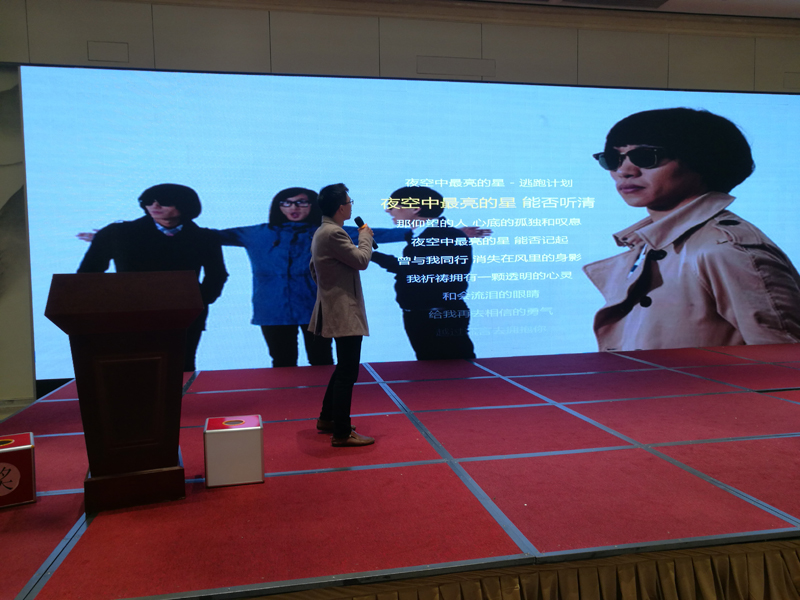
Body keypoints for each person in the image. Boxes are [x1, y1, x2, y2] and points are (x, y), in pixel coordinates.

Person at [583, 107, 800, 351]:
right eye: (613, 159)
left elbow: (785, 361)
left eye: (646, 157)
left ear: (701, 161)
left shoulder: (726, 249)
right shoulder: (651, 241)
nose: (624, 171)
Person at [216, 187, 409, 368]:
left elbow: (381, 234)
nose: (294, 207)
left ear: (313, 206)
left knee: (321, 359)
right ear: (278, 206)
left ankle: (326, 393)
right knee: (282, 361)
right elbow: (210, 237)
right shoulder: (255, 234)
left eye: (301, 203)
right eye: (287, 203)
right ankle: (286, 393)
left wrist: (421, 231)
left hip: (316, 307)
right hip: (273, 308)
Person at [77, 183, 228, 370]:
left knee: (182, 368)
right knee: (130, 370)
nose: (154, 206)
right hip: (129, 316)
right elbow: (88, 274)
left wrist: (199, 301)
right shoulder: (117, 232)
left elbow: (217, 275)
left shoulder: (205, 237)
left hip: (184, 316)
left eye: (164, 201)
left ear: (185, 205)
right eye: (149, 201)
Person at [370, 186, 476, 360]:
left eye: (393, 205)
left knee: (453, 369)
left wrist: (371, 255)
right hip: (423, 314)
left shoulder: (443, 235)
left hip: (437, 316)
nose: (388, 210)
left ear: (415, 209)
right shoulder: (425, 234)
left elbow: (418, 271)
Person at [309, 184, 375, 447]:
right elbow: (362, 260)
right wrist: (365, 236)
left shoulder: (322, 231)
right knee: (348, 372)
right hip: (343, 310)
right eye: (349, 202)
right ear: (340, 208)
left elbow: (313, 269)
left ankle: (328, 419)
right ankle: (342, 433)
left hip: (335, 306)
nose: (351, 206)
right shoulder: (334, 233)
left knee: (343, 368)